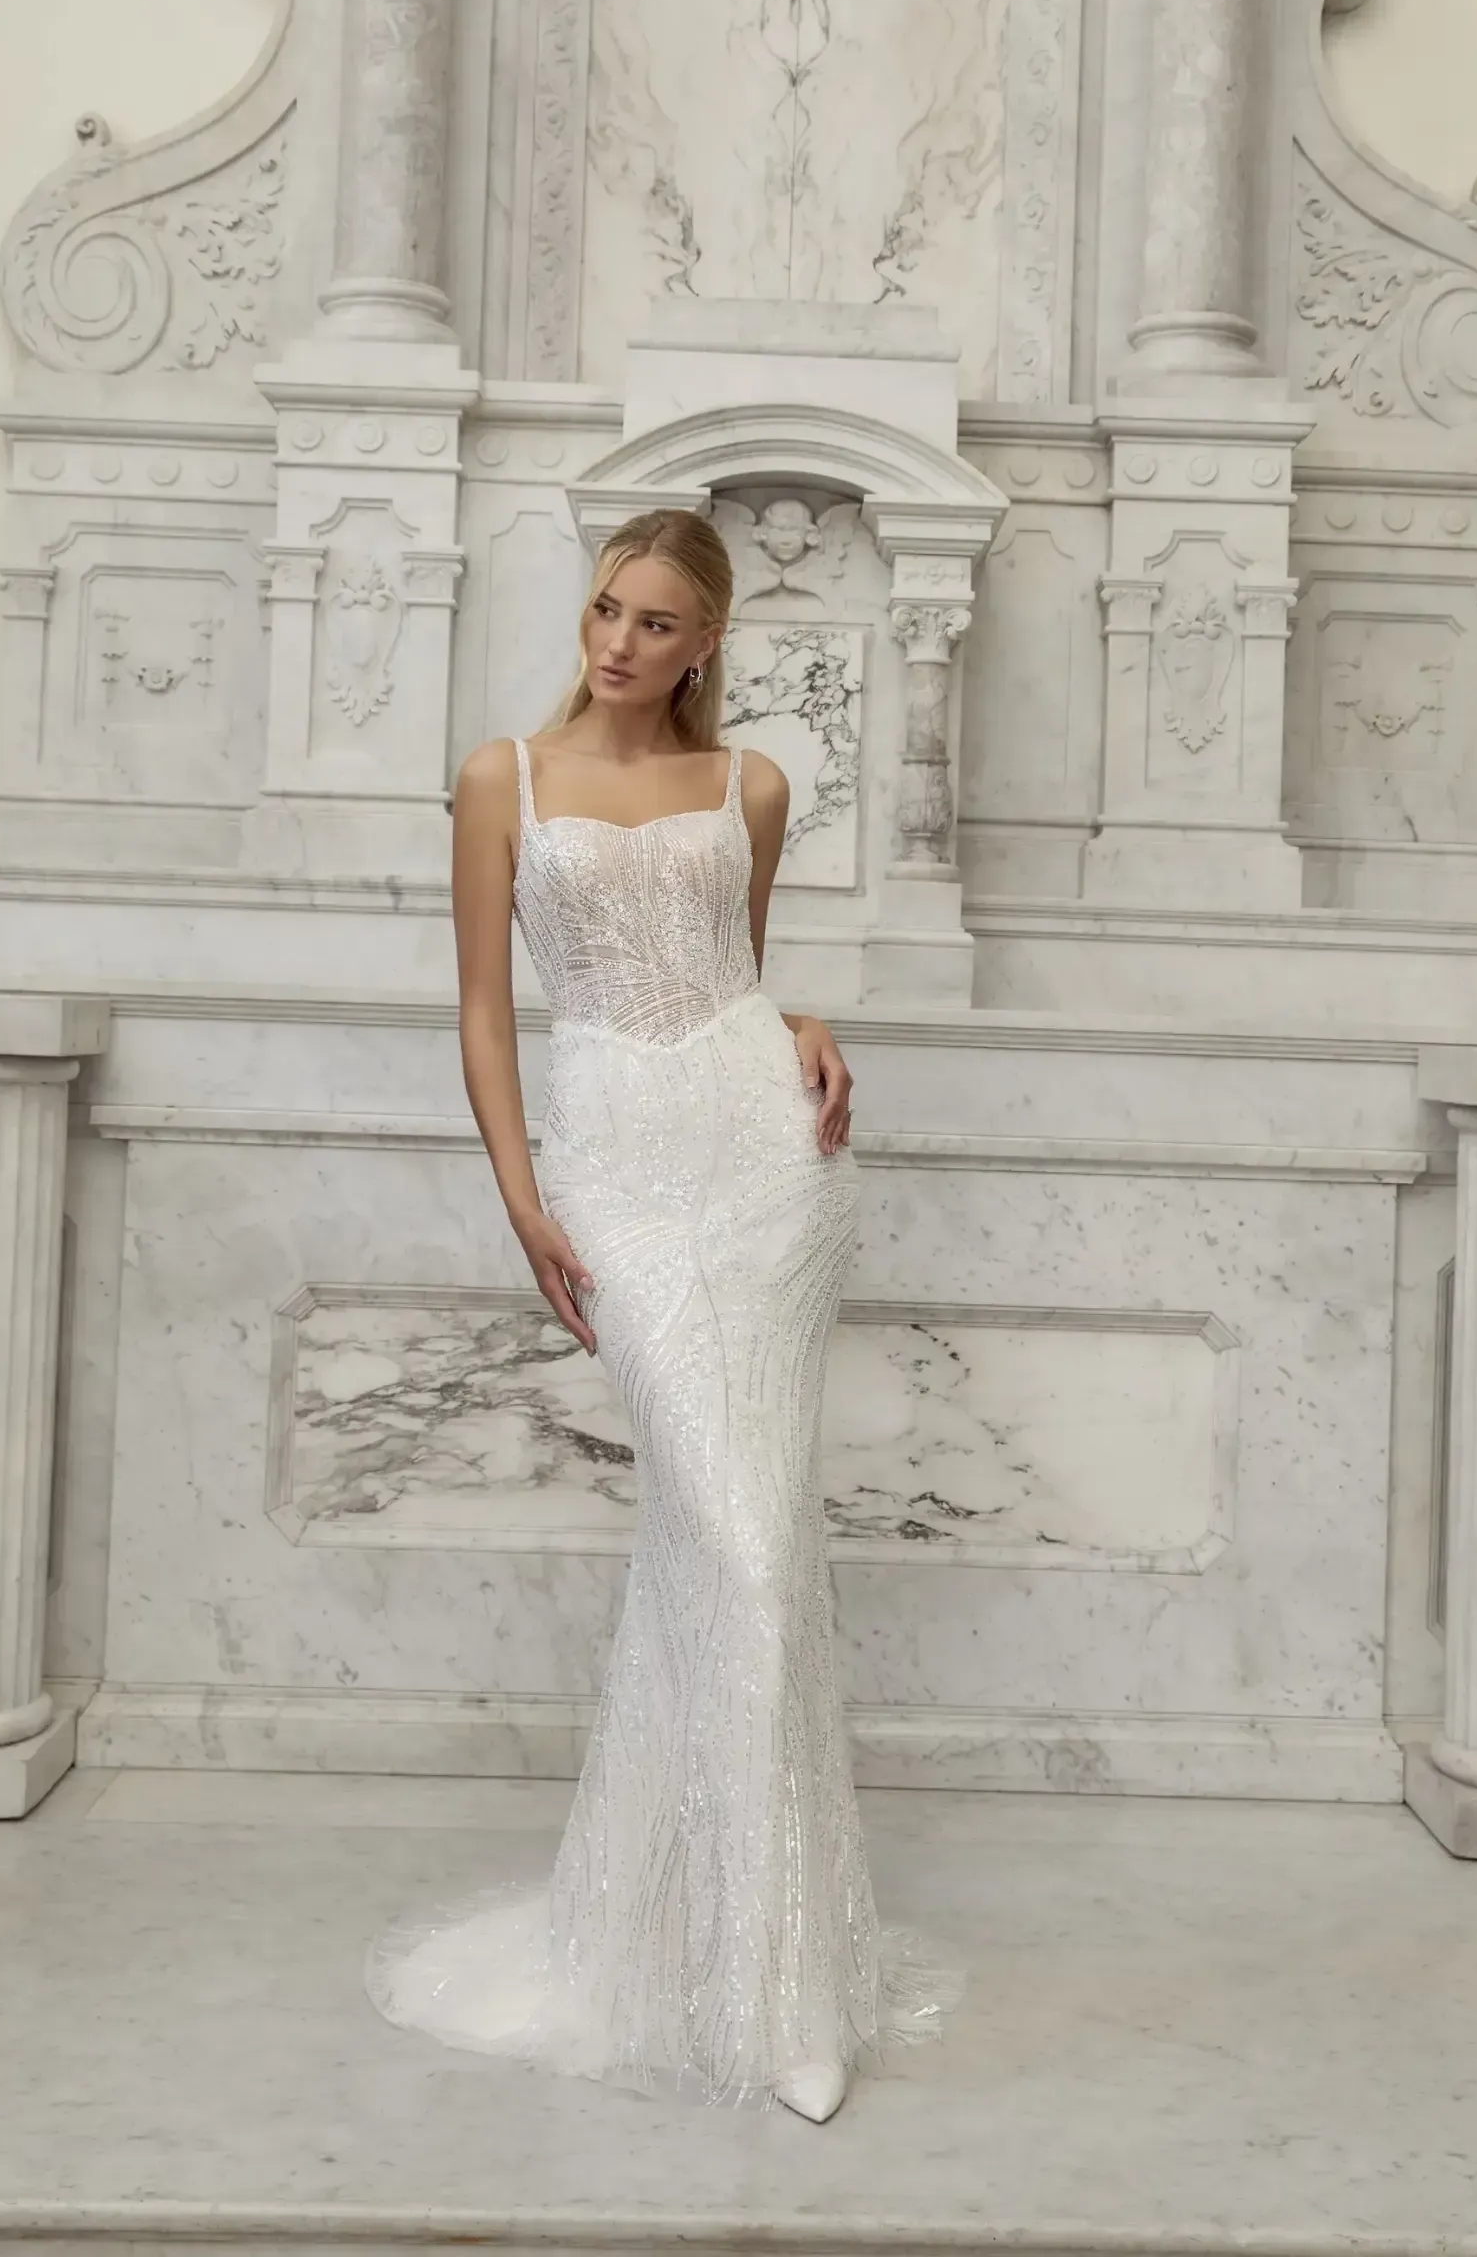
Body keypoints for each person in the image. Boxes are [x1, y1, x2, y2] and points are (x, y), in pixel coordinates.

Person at [363, 507, 964, 2121]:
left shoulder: (749, 784)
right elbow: (485, 1011)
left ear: (705, 644)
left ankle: (781, 1982)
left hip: (767, 1164)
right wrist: (524, 1198)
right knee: (728, 1537)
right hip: (614, 1166)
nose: (617, 642)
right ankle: (691, 1947)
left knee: (750, 1542)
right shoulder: (502, 777)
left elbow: (734, 976)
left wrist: (808, 1018)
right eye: (605, 610)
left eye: (653, 622)